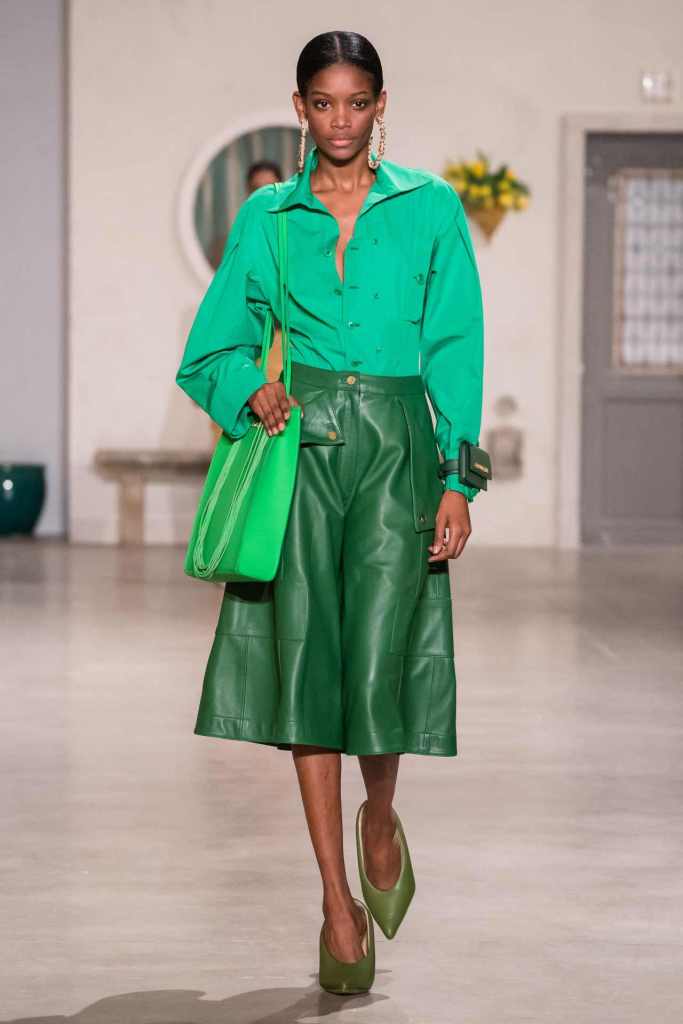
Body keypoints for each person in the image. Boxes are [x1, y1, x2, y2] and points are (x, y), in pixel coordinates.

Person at [175, 30, 485, 996]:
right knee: (307, 668)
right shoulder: (267, 217)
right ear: (299, 107)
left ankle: (378, 819)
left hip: (398, 452)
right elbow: (211, 350)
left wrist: (458, 480)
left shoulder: (430, 207)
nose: (339, 120)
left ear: (380, 104)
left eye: (356, 102)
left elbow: (456, 347)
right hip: (301, 453)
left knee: (380, 658)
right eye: (322, 102)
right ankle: (334, 900)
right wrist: (250, 391)